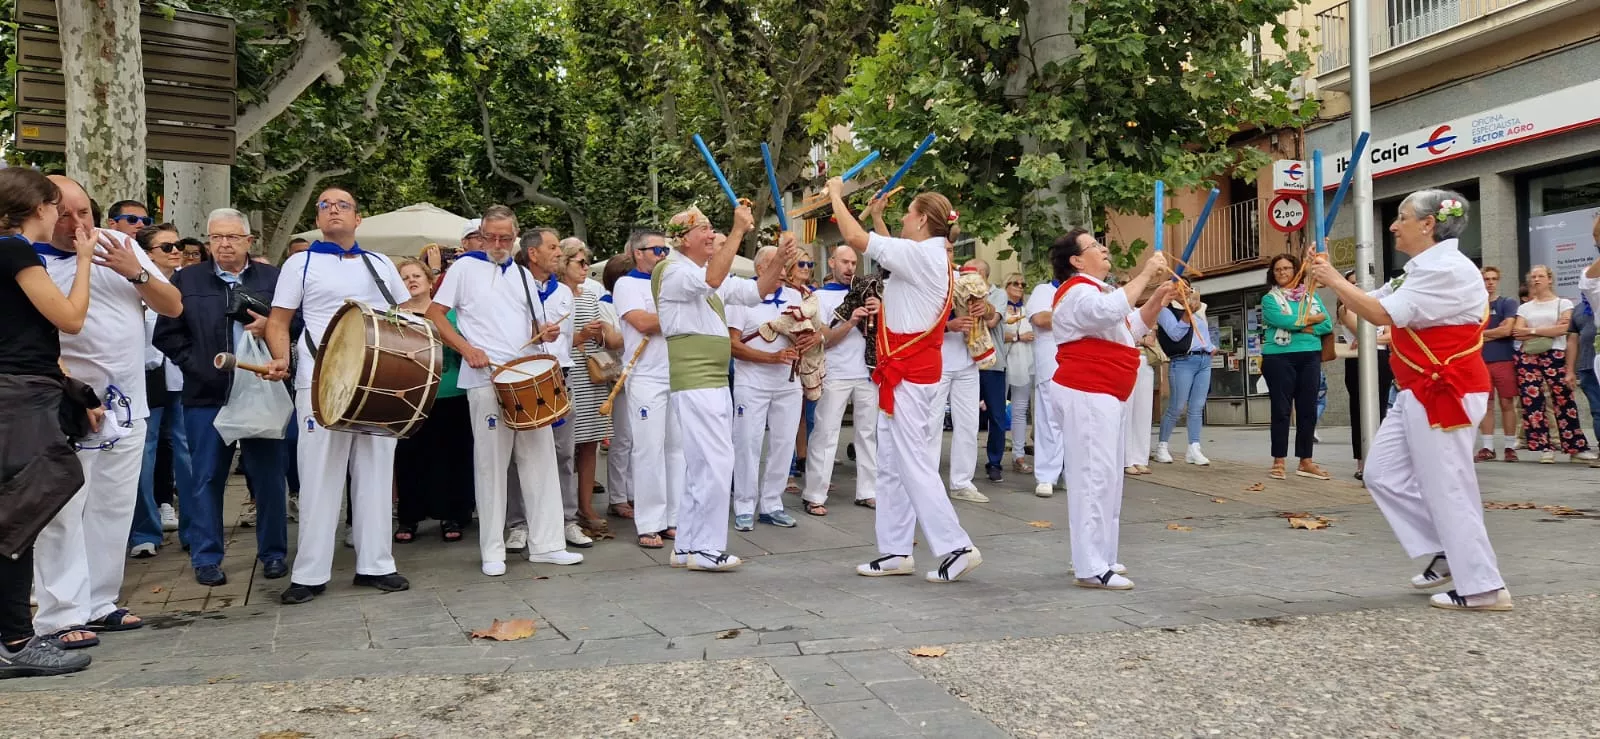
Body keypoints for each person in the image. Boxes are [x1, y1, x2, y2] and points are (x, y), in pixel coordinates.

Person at [1308, 189, 1510, 611]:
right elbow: (1374, 304)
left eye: (1401, 217)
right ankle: (1445, 549)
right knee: (1381, 473)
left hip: (1445, 388)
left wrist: (1335, 280)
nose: (1394, 225)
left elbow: (1384, 315)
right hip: (1418, 387)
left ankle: (1483, 587)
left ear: (1428, 224)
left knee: (1449, 486)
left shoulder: (1448, 270)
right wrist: (1331, 278)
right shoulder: (1421, 269)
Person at [34, 176, 182, 646]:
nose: (78, 224)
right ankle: (60, 614)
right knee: (63, 510)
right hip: (70, 406)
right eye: (65, 214)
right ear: (41, 213)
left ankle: (99, 601)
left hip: (129, 401)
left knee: (112, 505)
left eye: (85, 213)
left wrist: (134, 271)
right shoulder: (27, 259)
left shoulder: (120, 244)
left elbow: (173, 305)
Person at [828, 178, 982, 583]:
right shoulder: (928, 257)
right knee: (894, 466)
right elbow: (891, 252)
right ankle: (896, 551)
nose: (903, 219)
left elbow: (853, 236)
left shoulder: (923, 257)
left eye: (907, 213)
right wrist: (877, 216)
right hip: (908, 372)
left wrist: (834, 195)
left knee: (913, 464)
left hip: (909, 374)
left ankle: (956, 546)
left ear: (921, 221)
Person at [265, 187, 411, 603]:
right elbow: (279, 321)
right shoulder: (300, 262)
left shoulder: (380, 263)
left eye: (342, 204)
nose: (333, 210)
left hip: (378, 380)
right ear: (318, 218)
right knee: (318, 476)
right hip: (320, 379)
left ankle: (376, 564)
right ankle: (310, 573)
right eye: (324, 206)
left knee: (377, 473)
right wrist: (282, 359)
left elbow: (405, 317)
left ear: (358, 218)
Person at [426, 206, 583, 576]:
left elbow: (532, 322)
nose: (497, 244)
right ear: (481, 235)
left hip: (528, 376)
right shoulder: (463, 269)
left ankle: (547, 544)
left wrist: (546, 331)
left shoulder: (525, 276)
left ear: (515, 238)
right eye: (490, 237)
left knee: (540, 461)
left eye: (504, 238)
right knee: (491, 465)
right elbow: (434, 314)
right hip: (486, 379)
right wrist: (467, 349)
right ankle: (492, 550)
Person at [154, 208, 289, 586]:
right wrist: (199, 365)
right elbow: (166, 334)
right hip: (207, 395)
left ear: (249, 240)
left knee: (267, 477)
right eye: (216, 238)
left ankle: (274, 554)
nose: (224, 244)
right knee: (206, 478)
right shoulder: (187, 279)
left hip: (262, 391)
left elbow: (297, 321)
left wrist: (272, 328)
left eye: (232, 237)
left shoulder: (273, 279)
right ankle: (206, 557)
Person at [653, 204, 788, 571]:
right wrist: (740, 230)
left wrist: (781, 258)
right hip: (697, 380)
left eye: (714, 228)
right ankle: (706, 548)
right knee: (716, 462)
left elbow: (756, 291)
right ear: (683, 239)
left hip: (711, 380)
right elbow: (713, 280)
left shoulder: (698, 272)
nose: (713, 234)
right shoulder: (672, 271)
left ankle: (687, 546)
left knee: (702, 465)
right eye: (706, 229)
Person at [0, 167, 96, 677]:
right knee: (21, 513)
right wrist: (82, 263)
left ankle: (14, 635)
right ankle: (15, 640)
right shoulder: (14, 250)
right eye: (55, 204)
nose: (61, 213)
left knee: (17, 511)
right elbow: (70, 317)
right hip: (18, 397)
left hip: (20, 391)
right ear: (37, 207)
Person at [1051, 230, 1173, 588]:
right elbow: (1108, 313)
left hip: (1104, 390)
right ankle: (1090, 565)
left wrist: (1156, 301)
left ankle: (1100, 555)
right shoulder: (1076, 292)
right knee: (1093, 475)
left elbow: (1128, 327)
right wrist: (1148, 273)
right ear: (1076, 260)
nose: (1104, 250)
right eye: (1093, 246)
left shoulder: (1098, 292)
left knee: (1108, 476)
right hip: (1087, 389)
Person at [506, 227, 591, 550]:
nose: (559, 253)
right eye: (553, 247)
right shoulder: (510, 286)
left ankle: (567, 520)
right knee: (519, 456)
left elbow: (566, 342)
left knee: (563, 453)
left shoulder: (564, 293)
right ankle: (519, 524)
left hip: (558, 378)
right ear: (533, 253)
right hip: (524, 379)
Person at [728, 243, 809, 530]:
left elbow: (812, 332)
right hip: (751, 383)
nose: (786, 269)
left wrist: (810, 340)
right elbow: (732, 345)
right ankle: (744, 505)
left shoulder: (794, 296)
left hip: (788, 382)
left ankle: (772, 504)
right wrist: (771, 357)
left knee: (784, 442)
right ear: (761, 267)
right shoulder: (742, 297)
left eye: (787, 263)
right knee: (747, 443)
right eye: (779, 263)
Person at [391, 257, 473, 544]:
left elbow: (465, 348)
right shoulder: (392, 316)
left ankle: (452, 514)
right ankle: (409, 517)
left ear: (429, 281)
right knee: (410, 458)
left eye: (416, 276)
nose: (411, 281)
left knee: (452, 456)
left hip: (450, 393)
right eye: (404, 278)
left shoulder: (448, 314)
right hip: (409, 397)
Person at [614, 230, 681, 549]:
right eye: (656, 249)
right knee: (649, 449)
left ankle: (675, 517)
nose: (662, 254)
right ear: (637, 253)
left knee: (677, 449)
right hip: (646, 376)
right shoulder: (626, 284)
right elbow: (641, 322)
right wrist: (678, 316)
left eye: (666, 249)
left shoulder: (671, 281)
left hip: (676, 373)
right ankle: (650, 521)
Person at [129, 224, 191, 558]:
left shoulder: (189, 280)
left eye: (177, 244)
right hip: (146, 374)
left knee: (186, 450)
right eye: (166, 247)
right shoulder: (133, 280)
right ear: (148, 253)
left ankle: (194, 530)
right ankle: (144, 530)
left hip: (182, 374)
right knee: (145, 452)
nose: (175, 251)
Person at [804, 245, 879, 514]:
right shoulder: (818, 297)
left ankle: (868, 491)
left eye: (853, 263)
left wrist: (879, 311)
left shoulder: (868, 293)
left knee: (868, 434)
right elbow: (825, 339)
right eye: (844, 262)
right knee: (825, 434)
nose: (850, 268)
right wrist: (850, 321)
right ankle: (814, 494)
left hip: (867, 372)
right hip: (835, 373)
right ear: (832, 263)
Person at [560, 239, 621, 537]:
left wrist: (602, 336)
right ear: (564, 264)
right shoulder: (553, 295)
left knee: (589, 444)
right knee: (565, 447)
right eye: (580, 263)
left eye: (587, 262)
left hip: (592, 376)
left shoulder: (591, 296)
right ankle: (565, 509)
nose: (586, 268)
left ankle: (585, 506)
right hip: (567, 375)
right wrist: (582, 335)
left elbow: (605, 336)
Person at [1258, 253, 1334, 481]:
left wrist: (1303, 326)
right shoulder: (1269, 299)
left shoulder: (1310, 296)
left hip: (1309, 356)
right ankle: (1279, 460)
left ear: (1296, 270)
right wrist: (1312, 321)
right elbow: (1283, 322)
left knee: (1308, 409)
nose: (1282, 273)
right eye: (1278, 269)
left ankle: (1305, 460)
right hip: (1279, 357)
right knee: (1281, 410)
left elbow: (1328, 324)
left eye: (1287, 268)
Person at [1513, 265, 1591, 464]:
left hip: (1555, 354)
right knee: (1533, 402)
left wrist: (1532, 331)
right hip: (1528, 357)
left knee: (1563, 399)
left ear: (1549, 279)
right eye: (1533, 276)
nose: (1536, 279)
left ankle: (1575, 447)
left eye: (1540, 276)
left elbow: (1564, 328)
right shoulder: (1524, 307)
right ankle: (1544, 447)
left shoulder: (1562, 303)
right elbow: (1517, 331)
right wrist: (1548, 329)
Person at [1334, 270, 1397, 481]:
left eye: (1360, 283)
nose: (1357, 287)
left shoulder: (1378, 308)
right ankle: (1362, 462)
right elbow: (1364, 333)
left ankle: (1379, 460)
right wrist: (1378, 336)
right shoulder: (1346, 308)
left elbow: (1391, 336)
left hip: (1380, 360)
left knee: (1380, 409)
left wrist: (1376, 338)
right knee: (1360, 411)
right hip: (1358, 361)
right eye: (1352, 283)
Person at [1153, 286, 1214, 466]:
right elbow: (1175, 334)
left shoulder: (1199, 308)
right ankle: (1162, 446)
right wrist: (1187, 315)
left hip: (1203, 359)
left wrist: (1210, 347)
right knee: (1177, 406)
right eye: (1180, 288)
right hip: (1183, 361)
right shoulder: (1165, 311)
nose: (1185, 291)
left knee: (1197, 407)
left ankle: (1194, 448)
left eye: (1188, 288)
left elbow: (1203, 332)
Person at [968, 260, 1010, 483]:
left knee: (996, 415)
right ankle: (964, 464)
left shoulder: (998, 294)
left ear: (981, 274)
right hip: (967, 363)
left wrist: (981, 304)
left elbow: (993, 321)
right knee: (966, 415)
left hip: (993, 363)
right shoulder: (960, 292)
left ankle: (994, 462)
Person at [1025, 267, 1065, 497]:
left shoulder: (1087, 291)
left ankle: (1070, 473)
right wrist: (1075, 313)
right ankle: (1047, 476)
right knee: (1049, 422)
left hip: (1079, 364)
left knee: (1076, 423)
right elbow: (1041, 319)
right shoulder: (1043, 290)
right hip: (1050, 365)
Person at [1475, 267, 1519, 461]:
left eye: (1493, 279)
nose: (1490, 282)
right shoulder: (1475, 305)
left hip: (1504, 358)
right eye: (1486, 279)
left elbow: (1507, 330)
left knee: (1507, 402)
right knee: (1486, 404)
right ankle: (1488, 447)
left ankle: (1510, 447)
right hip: (1480, 360)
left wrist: (1481, 335)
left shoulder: (1507, 303)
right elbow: (1468, 333)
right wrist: (1494, 332)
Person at [999, 273, 1034, 475]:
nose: (1020, 286)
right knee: (997, 410)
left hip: (1024, 364)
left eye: (1023, 283)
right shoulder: (998, 308)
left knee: (1020, 410)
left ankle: (1018, 455)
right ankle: (995, 457)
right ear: (1006, 286)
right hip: (1002, 362)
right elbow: (993, 332)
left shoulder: (1027, 310)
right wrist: (1017, 336)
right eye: (1015, 283)